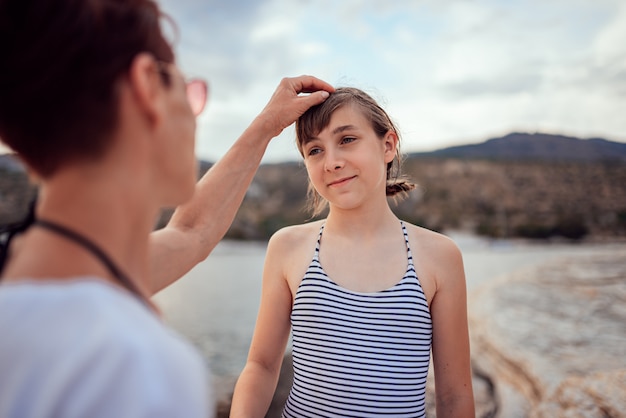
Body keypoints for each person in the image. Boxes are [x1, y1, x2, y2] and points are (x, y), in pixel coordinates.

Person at [0, 0, 333, 417]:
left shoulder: (23, 270)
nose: (196, 117)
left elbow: (191, 233)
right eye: (190, 91)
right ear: (147, 85)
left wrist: (267, 125)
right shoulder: (138, 371)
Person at [230, 87, 475, 417]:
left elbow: (454, 396)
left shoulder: (439, 256)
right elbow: (260, 366)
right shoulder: (288, 247)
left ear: (387, 145)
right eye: (314, 150)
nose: (331, 162)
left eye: (346, 140)